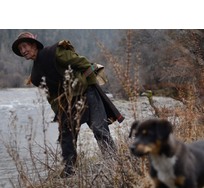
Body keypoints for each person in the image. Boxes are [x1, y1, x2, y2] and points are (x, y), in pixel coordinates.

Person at [12, 32, 124, 177]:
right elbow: (52, 97)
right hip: (68, 102)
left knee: (99, 129)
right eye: (20, 49)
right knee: (66, 136)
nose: (23, 51)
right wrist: (60, 113)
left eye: (25, 46)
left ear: (34, 45)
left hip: (86, 92)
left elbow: (83, 64)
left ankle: (113, 165)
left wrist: (81, 85)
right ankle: (69, 172)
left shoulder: (55, 52)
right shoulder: (34, 76)